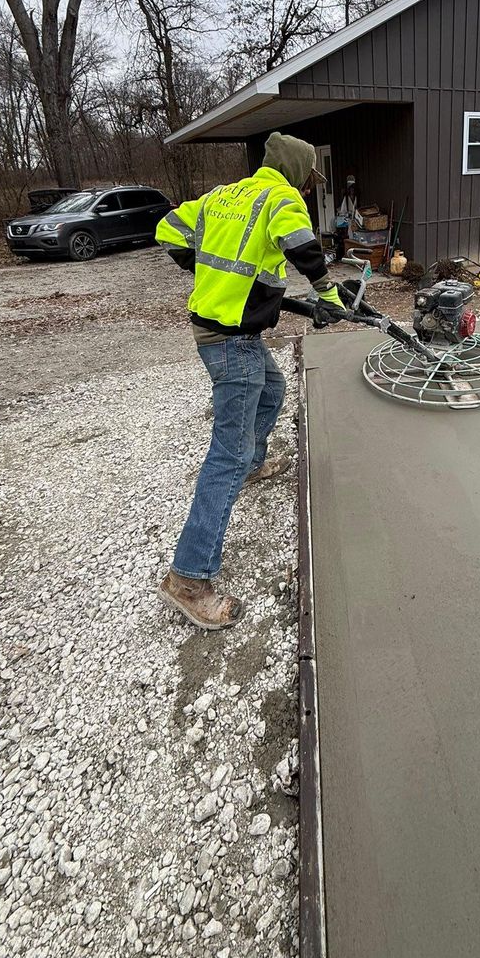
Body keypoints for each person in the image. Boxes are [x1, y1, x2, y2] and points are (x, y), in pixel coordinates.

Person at [155, 132, 344, 630]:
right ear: (297, 172)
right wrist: (328, 293)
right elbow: (302, 246)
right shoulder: (279, 197)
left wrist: (212, 274)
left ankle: (254, 465)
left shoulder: (223, 195)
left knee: (274, 390)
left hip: (222, 328)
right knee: (227, 452)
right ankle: (189, 578)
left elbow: (168, 229)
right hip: (230, 340)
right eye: (307, 180)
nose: (306, 190)